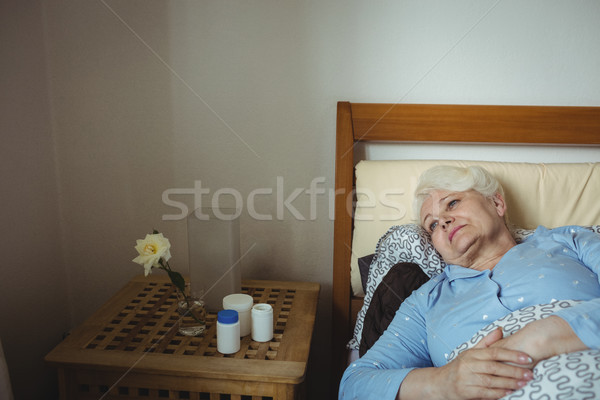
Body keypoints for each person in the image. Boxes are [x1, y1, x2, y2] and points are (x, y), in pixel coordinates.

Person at [339, 165, 600, 400]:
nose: (442, 221)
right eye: (431, 226)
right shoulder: (424, 302)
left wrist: (541, 338)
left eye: (452, 203)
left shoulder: (570, 240)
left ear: (496, 203)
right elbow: (354, 385)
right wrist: (443, 381)